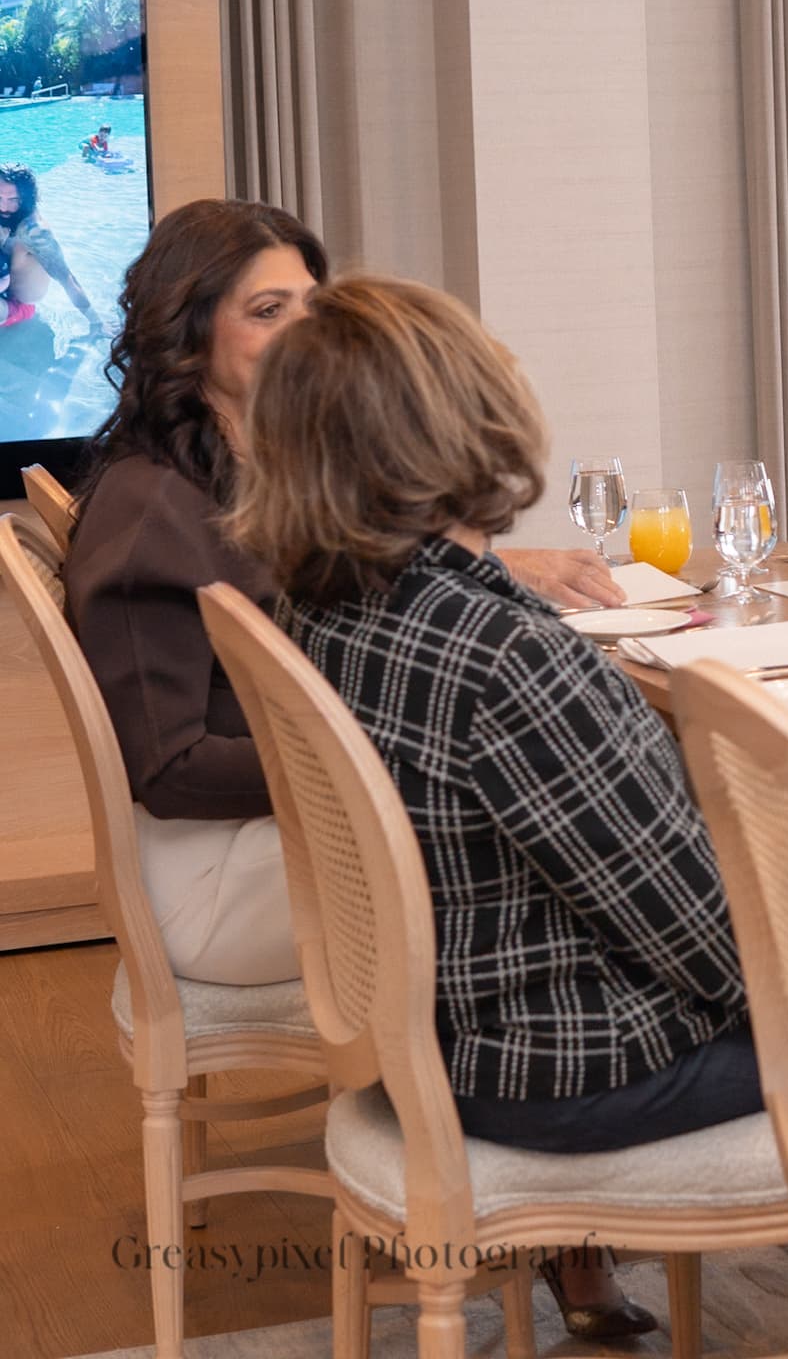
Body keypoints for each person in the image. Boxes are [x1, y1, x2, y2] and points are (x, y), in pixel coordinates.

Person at [229, 273, 755, 1339]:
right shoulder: (507, 660)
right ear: (469, 423)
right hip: (561, 1068)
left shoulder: (325, 605)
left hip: (434, 1037)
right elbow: (708, 943)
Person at [64, 200, 622, 987]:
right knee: (540, 838)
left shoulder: (246, 468)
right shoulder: (155, 514)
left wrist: (500, 566)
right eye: (268, 311)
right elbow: (171, 767)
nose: (305, 335)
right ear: (187, 336)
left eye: (311, 307)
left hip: (277, 828)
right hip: (217, 882)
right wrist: (386, 758)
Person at [1, 163, 105, 336]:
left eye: (13, 200)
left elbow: (66, 277)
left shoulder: (34, 231)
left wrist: (96, 322)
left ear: (26, 199)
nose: (3, 207)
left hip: (18, 306)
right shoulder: (5, 216)